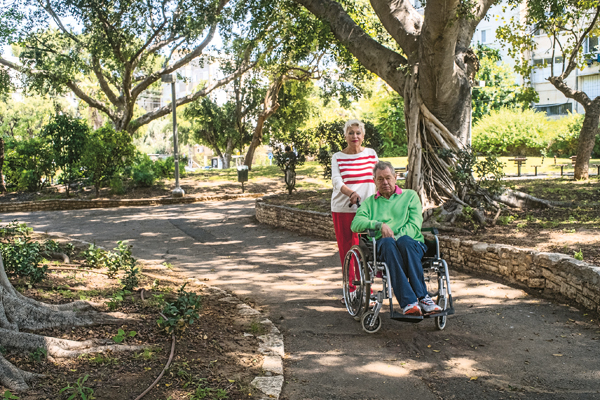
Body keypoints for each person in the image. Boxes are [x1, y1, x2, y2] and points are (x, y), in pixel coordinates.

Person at [350, 161, 442, 316]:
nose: (385, 182)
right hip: (386, 247)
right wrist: (379, 225)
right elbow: (355, 224)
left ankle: (423, 298)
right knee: (386, 243)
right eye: (380, 179)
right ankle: (409, 303)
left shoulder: (410, 196)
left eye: (388, 178)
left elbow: (414, 225)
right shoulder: (370, 203)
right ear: (375, 181)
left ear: (395, 177)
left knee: (404, 241)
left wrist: (396, 238)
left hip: (411, 244)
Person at [331, 119, 378, 296]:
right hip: (343, 208)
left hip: (366, 210)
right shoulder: (338, 157)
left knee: (366, 249)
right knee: (347, 249)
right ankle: (349, 290)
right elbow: (336, 181)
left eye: (358, 133)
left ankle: (367, 288)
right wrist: (350, 193)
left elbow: (378, 176)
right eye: (351, 133)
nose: (355, 136)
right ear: (345, 136)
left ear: (363, 136)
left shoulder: (371, 154)